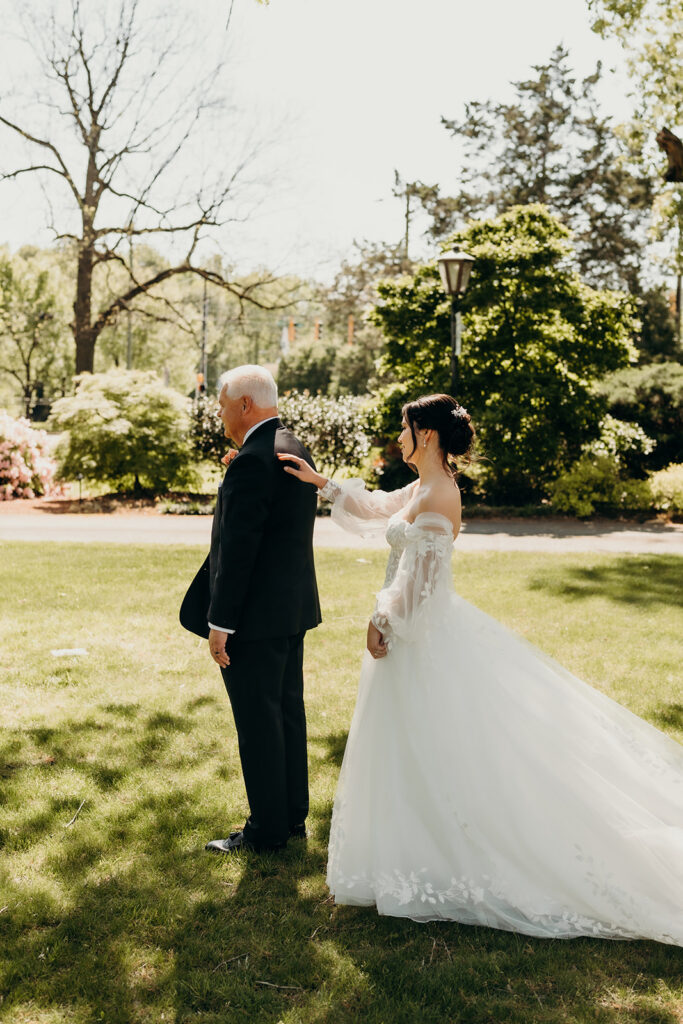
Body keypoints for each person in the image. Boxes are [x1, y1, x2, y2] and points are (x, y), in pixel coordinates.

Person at [278, 393, 683, 945]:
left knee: (444, 747)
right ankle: (416, 849)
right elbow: (376, 509)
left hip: (421, 638)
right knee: (413, 749)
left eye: (404, 428)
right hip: (412, 637)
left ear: (425, 435)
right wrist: (320, 481)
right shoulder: (421, 487)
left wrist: (381, 619)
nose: (398, 437)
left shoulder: (440, 495)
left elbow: (419, 587)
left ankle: (459, 855)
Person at [180, 365, 321, 853]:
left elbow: (240, 552)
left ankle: (265, 831)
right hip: (291, 611)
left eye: (222, 402)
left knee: (258, 724)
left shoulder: (252, 461)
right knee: (286, 714)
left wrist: (221, 623)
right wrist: (237, 469)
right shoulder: (291, 446)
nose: (218, 410)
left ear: (245, 405)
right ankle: (291, 819)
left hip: (254, 620)